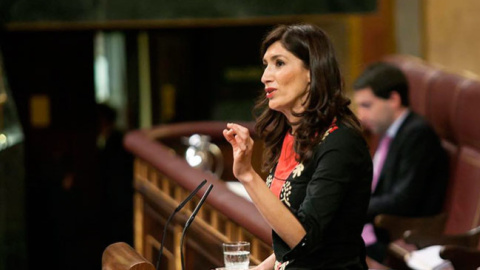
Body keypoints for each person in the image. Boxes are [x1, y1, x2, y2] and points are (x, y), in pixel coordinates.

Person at [223, 24, 373, 269]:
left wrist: (247, 175)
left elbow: (303, 238)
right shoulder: (290, 135)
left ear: (312, 72)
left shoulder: (341, 143)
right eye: (265, 65)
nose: (265, 76)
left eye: (279, 63)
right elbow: (294, 236)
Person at [353, 62, 448, 262]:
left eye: (367, 105)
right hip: (377, 227)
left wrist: (353, 206)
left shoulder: (417, 134)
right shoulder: (388, 131)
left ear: (394, 99)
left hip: (402, 233)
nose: (361, 115)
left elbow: (403, 200)